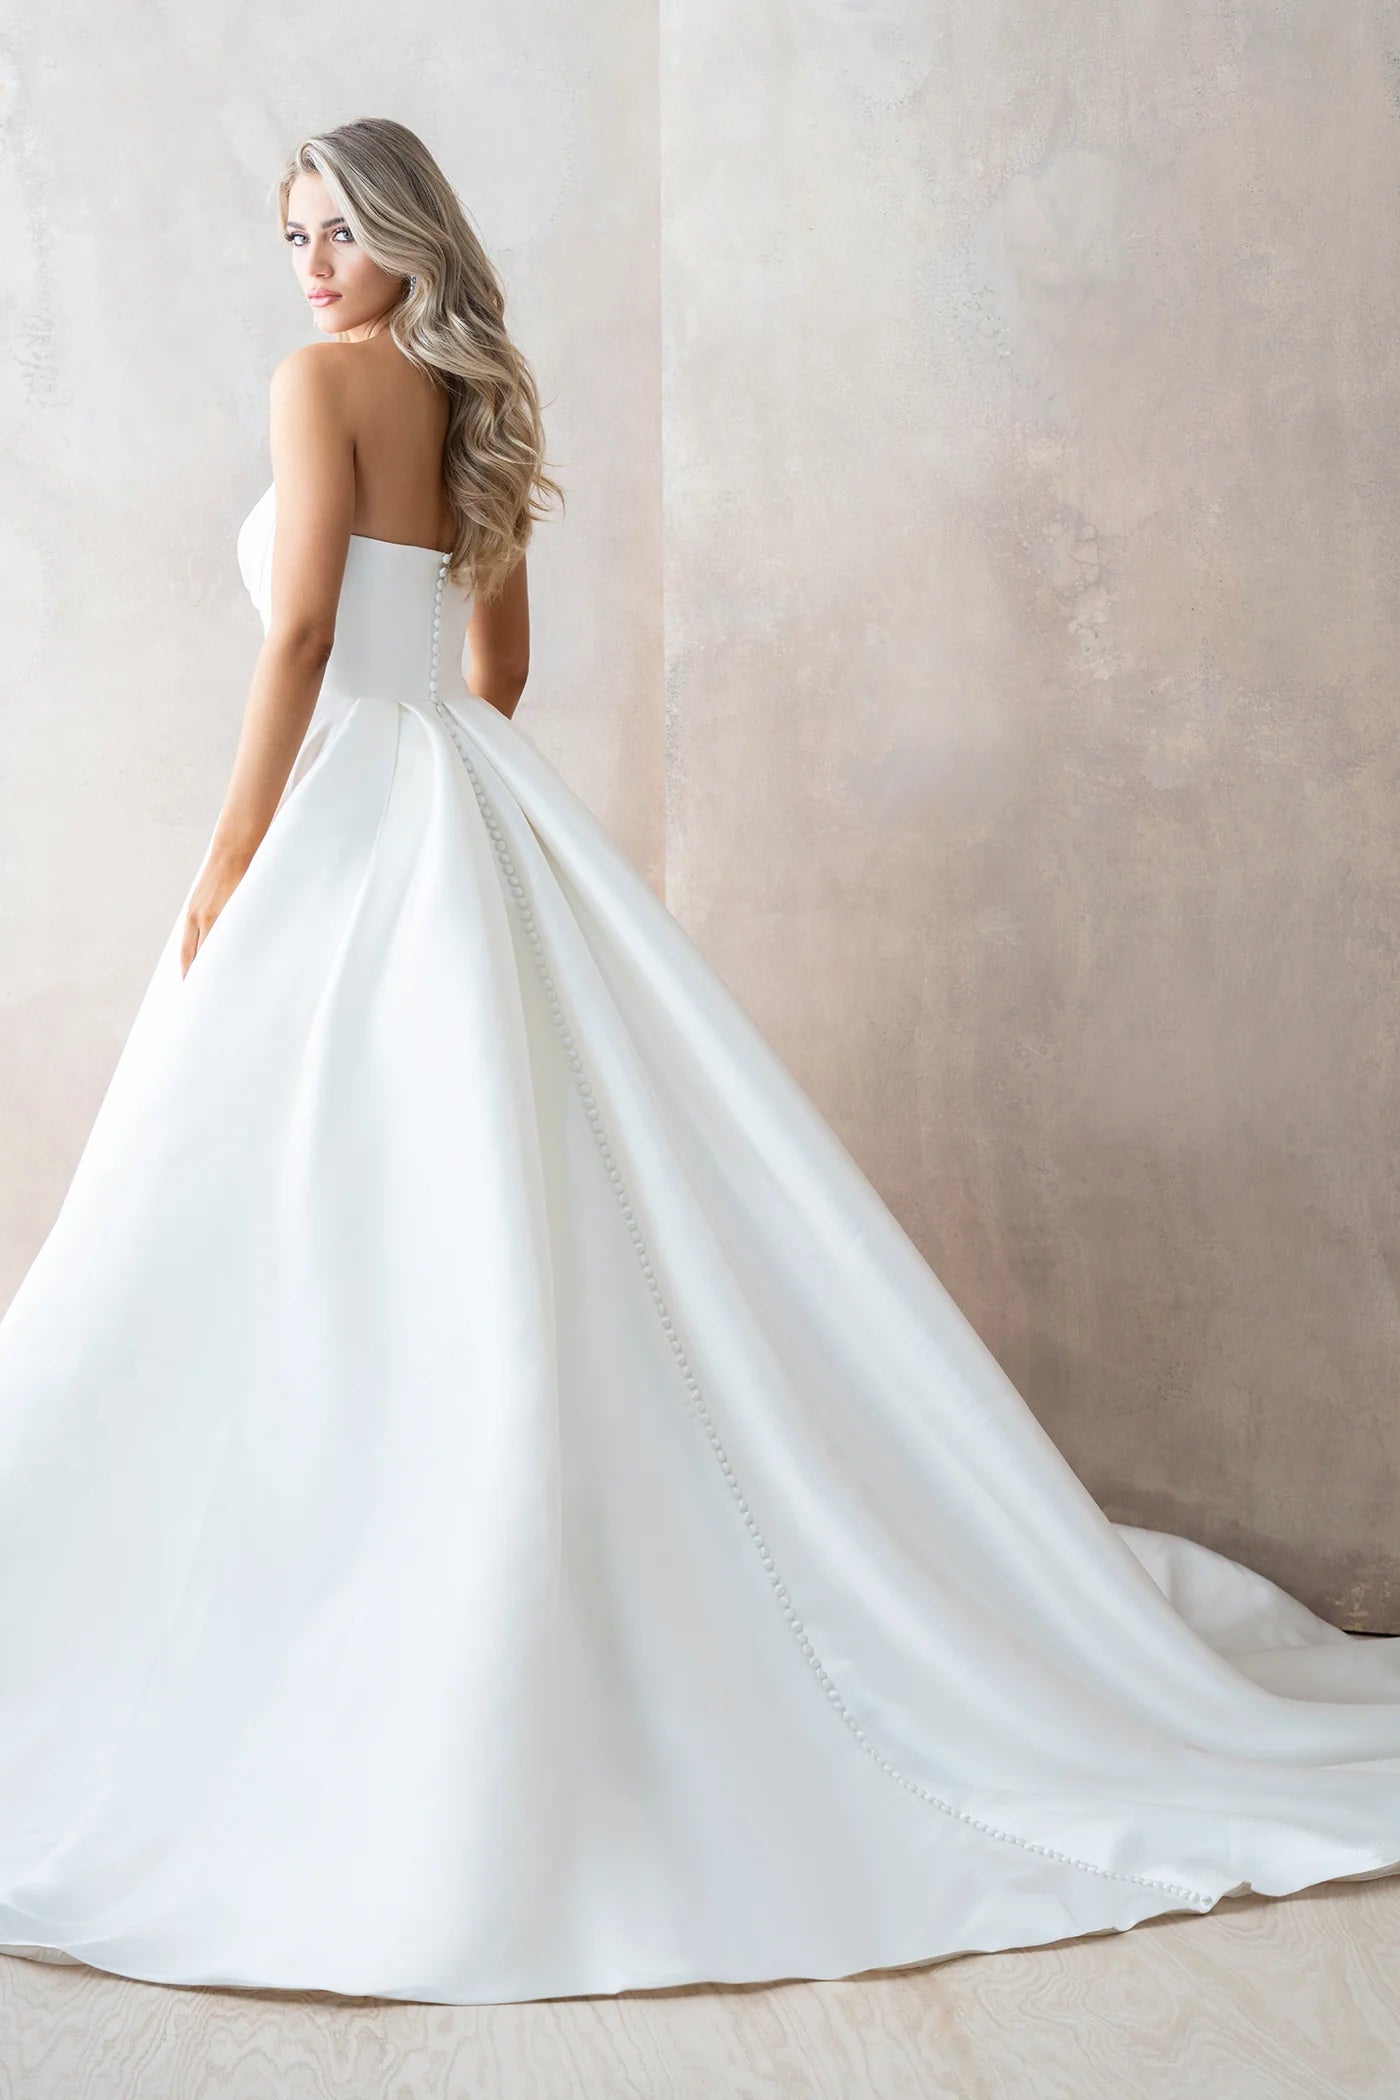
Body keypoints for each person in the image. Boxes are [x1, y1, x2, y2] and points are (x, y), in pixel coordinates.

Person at [0, 116, 1397, 2011]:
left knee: (291, 1206)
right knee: (508, 1201)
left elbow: (307, 631)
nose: (315, 261)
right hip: (466, 817)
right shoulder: (469, 394)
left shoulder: (315, 385)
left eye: (340, 227)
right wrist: (424, 775)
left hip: (342, 815)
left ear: (408, 231)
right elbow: (494, 673)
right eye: (295, 236)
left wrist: (239, 862)